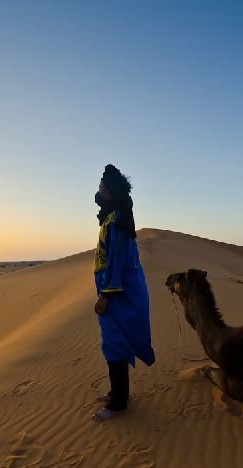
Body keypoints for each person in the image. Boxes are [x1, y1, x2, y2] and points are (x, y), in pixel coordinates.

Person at [92, 164, 156, 421]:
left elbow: (116, 261)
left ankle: (119, 402)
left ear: (108, 194)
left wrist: (105, 295)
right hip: (115, 289)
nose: (97, 191)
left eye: (100, 187)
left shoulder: (116, 220)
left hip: (120, 293)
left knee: (115, 344)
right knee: (112, 343)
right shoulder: (112, 218)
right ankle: (116, 392)